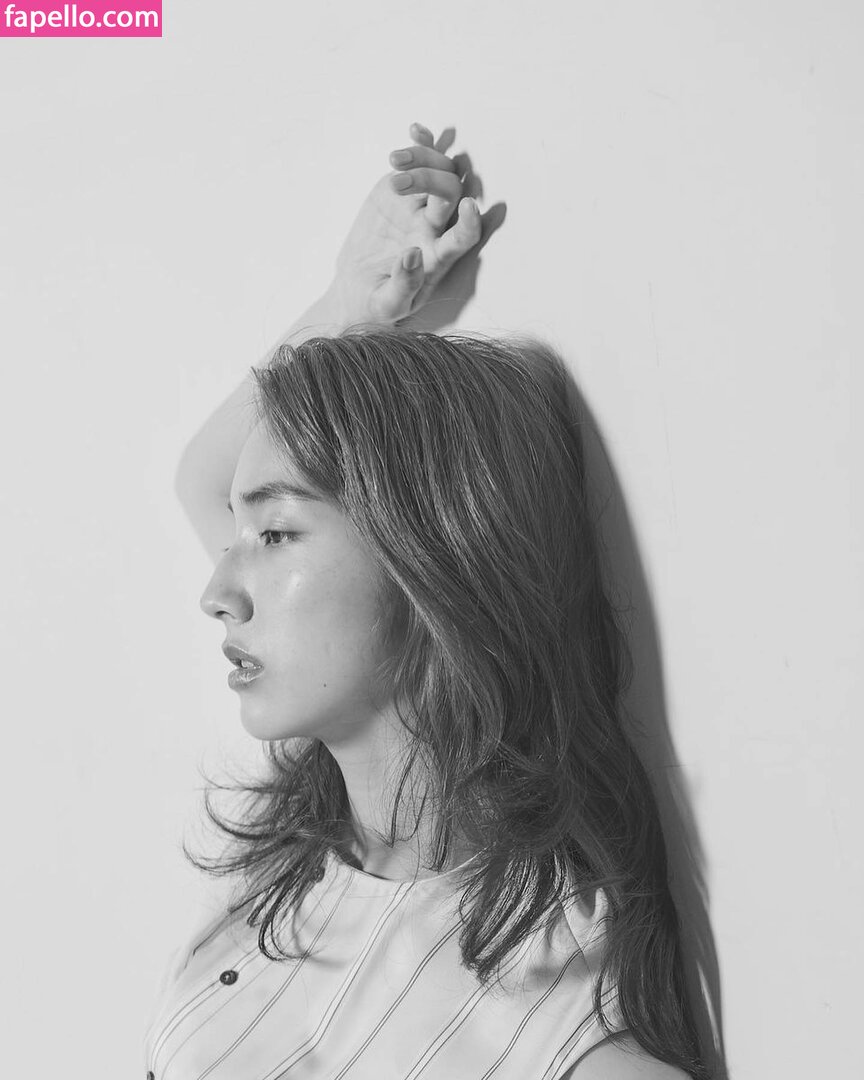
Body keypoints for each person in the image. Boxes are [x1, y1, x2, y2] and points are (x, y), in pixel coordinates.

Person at [143, 123, 711, 1080]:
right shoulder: (303, 863)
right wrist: (353, 302)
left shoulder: (553, 1015)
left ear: (428, 560)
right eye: (244, 537)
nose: (218, 592)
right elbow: (207, 477)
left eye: (275, 535)